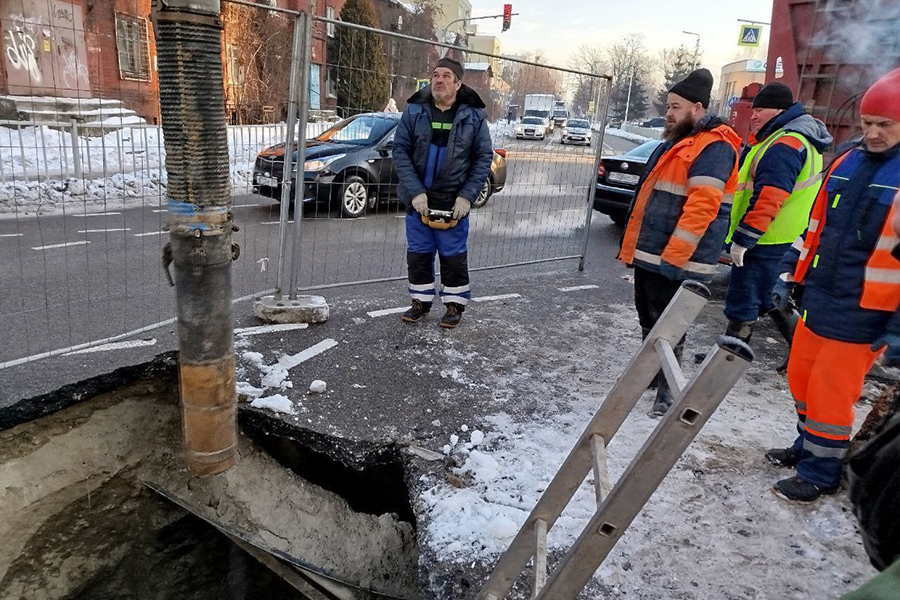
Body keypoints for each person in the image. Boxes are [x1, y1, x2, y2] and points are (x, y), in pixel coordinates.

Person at [767, 68, 900, 502]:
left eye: (885, 125)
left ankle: (821, 472)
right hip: (819, 299)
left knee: (829, 392)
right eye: (867, 124)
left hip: (864, 314)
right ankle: (808, 448)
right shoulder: (847, 161)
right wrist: (790, 267)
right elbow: (817, 224)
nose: (873, 133)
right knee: (801, 379)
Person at [618, 68, 741, 416]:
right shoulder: (675, 143)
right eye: (668, 106)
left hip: (679, 258)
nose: (668, 113)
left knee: (670, 323)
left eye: (675, 106)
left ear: (697, 108)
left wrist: (675, 255)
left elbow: (703, 206)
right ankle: (652, 377)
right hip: (653, 253)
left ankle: (667, 391)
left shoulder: (715, 146)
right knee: (649, 316)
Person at [724, 82, 832, 343]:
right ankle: (799, 348)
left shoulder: (784, 143)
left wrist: (744, 239)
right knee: (765, 296)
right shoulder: (796, 139)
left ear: (779, 110)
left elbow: (769, 198)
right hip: (778, 235)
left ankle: (727, 357)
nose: (754, 115)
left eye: (760, 109)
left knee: (743, 302)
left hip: (762, 239)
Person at [392, 57, 494, 329]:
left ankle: (453, 305)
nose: (438, 80)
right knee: (419, 254)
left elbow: (483, 158)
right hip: (419, 200)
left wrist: (466, 196)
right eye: (435, 75)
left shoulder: (473, 117)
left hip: (453, 201)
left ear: (458, 84)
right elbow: (400, 151)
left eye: (446, 76)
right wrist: (415, 192)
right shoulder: (414, 111)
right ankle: (420, 302)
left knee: (452, 255)